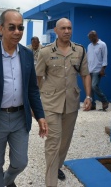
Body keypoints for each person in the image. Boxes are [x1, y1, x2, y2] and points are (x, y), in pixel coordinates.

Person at [0, 9, 48, 187]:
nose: (17, 32)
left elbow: (32, 89)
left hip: (20, 118)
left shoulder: (27, 55)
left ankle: (5, 181)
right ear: (1, 29)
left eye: (20, 28)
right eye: (12, 28)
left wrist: (40, 116)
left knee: (21, 162)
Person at [36, 18, 92, 187]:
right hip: (51, 102)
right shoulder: (45, 52)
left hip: (72, 103)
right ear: (56, 30)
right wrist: (37, 102)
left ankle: (57, 166)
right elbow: (38, 77)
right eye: (63, 28)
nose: (67, 31)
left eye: (69, 28)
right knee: (53, 142)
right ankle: (51, 182)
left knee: (65, 141)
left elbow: (85, 74)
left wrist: (88, 96)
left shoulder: (80, 50)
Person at [87, 30, 109, 110]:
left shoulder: (102, 44)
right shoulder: (89, 46)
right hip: (89, 69)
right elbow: (88, 58)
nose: (89, 40)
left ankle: (104, 100)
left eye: (90, 38)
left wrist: (103, 69)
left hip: (98, 69)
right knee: (90, 87)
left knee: (94, 86)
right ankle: (92, 105)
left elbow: (105, 58)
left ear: (95, 36)